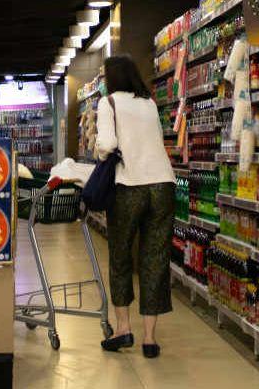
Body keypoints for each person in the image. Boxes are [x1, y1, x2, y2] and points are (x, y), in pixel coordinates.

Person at [94, 55, 176, 359]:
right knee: (155, 259)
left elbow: (107, 145)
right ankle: (150, 339)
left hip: (129, 186)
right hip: (163, 185)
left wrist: (99, 153)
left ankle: (123, 329)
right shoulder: (149, 103)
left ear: (112, 78)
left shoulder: (109, 103)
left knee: (121, 257)